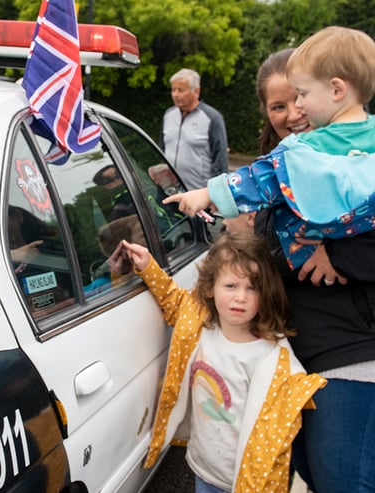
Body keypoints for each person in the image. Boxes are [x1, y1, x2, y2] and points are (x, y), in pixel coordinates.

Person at [226, 46, 375, 493]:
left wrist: (340, 257)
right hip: (294, 356)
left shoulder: (355, 159)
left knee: (343, 478)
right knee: (313, 471)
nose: (293, 112)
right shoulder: (273, 172)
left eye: (299, 97)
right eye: (278, 105)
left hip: (351, 350)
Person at [109, 233, 325, 493]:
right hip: (203, 470)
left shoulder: (272, 359)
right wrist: (146, 266)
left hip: (243, 483)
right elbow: (173, 299)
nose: (241, 297)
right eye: (231, 286)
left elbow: (276, 432)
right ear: (210, 288)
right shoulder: (199, 325)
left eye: (252, 288)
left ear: (265, 293)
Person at [165, 27, 375, 270]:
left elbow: (260, 178)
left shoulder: (301, 151)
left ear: (336, 90)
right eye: (278, 107)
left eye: (302, 94)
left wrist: (209, 194)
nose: (297, 109)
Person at [159, 68, 229, 190]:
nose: (175, 94)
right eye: (173, 90)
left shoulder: (212, 118)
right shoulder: (168, 115)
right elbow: (161, 149)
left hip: (198, 194)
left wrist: (215, 193)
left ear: (196, 91)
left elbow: (220, 160)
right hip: (168, 191)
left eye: (181, 90)